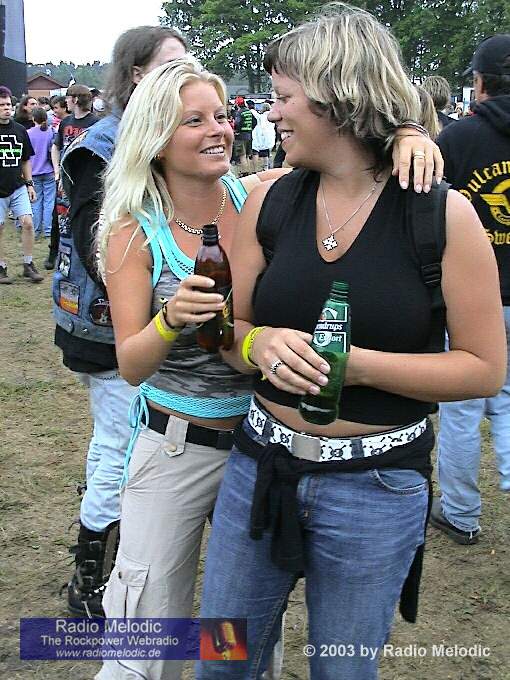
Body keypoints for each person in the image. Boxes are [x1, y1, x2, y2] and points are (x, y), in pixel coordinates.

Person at [94, 47, 445, 679]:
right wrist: (169, 320)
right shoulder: (134, 229)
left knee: (245, 631)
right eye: (194, 121)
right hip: (179, 445)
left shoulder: (260, 195)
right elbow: (130, 365)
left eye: (220, 115)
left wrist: (406, 133)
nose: (219, 130)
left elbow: (345, 147)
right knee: (151, 624)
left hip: (262, 447)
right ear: (154, 136)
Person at [194, 5, 506, 680]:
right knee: (221, 663)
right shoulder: (269, 201)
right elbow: (228, 333)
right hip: (258, 471)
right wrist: (256, 344)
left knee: (342, 670)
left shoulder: (441, 214)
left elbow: (484, 369)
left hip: (377, 490)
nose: (271, 113)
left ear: (338, 97)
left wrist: (356, 367)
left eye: (283, 97)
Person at [53, 26, 188, 619]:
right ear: (136, 74)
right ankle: (92, 582)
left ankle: (109, 563)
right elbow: (95, 244)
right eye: (171, 63)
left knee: (122, 443)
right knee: (121, 447)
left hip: (139, 326)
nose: (184, 73)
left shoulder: (158, 136)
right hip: (106, 328)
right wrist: (154, 287)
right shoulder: (102, 146)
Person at [431, 33, 510, 545]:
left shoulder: (456, 140)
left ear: (480, 83)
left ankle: (460, 514)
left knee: (461, 410)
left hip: (469, 302)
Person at [0, 86, 44, 284]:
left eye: (8, 104)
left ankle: (28, 264)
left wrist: (30, 184)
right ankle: (1, 267)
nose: (6, 108)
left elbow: (25, 160)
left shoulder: (20, 130)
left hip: (18, 186)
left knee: (28, 223)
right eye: (2, 105)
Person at [27, 107, 58, 238]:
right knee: (49, 202)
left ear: (33, 118)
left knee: (35, 202)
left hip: (33, 172)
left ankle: (36, 230)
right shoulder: (51, 132)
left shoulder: (28, 133)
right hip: (49, 171)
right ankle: (48, 230)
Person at [252, 102, 276, 171]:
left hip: (263, 136)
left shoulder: (262, 116)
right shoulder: (272, 116)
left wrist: (252, 110)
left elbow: (258, 118)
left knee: (264, 152)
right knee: (268, 152)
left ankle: (265, 167)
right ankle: (267, 166)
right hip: (271, 135)